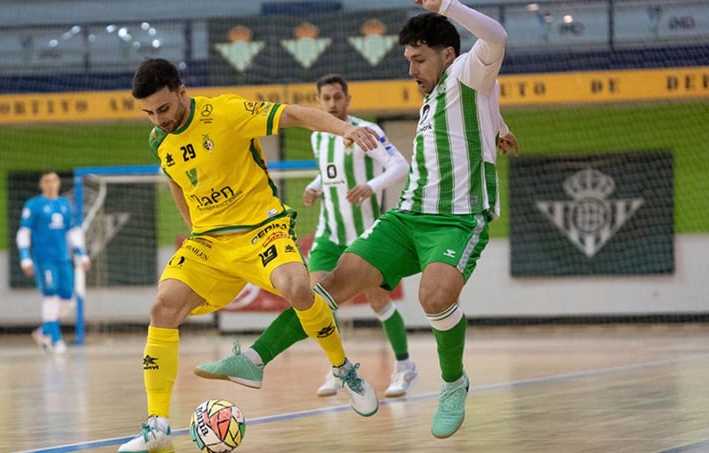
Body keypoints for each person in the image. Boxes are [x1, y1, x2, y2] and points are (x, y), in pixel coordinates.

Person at [198, 0, 511, 440]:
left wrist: (445, 5)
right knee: (327, 288)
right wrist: (500, 127)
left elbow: (496, 37)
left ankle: (453, 382)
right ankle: (254, 359)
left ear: (447, 54)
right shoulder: (437, 95)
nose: (411, 70)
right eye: (408, 60)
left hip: (456, 219)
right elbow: (486, 102)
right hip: (407, 215)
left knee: (435, 297)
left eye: (419, 59)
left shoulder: (464, 72)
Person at [118, 58, 382, 453]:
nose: (159, 120)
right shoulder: (160, 139)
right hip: (210, 242)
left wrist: (346, 129)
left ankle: (343, 370)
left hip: (262, 229)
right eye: (149, 113)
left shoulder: (227, 112)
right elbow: (176, 180)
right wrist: (195, 228)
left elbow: (295, 114)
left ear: (182, 92)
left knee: (299, 289)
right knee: (162, 308)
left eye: (164, 108)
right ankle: (157, 428)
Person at [196, 73, 417, 399]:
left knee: (378, 300)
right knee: (314, 301)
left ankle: (405, 365)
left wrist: (371, 186)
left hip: (364, 233)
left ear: (348, 99)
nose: (332, 103)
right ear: (318, 102)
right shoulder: (319, 136)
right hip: (329, 233)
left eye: (337, 97)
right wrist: (316, 186)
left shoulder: (365, 130)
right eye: (326, 98)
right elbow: (330, 172)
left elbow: (400, 166)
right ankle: (338, 368)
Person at [16, 171, 91, 355]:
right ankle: (55, 339)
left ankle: (44, 331)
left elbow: (71, 232)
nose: (51, 184)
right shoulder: (34, 205)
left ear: (58, 183)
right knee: (51, 296)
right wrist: (25, 257)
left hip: (63, 258)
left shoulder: (65, 204)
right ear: (41, 184)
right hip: (44, 259)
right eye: (46, 181)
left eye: (54, 180)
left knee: (69, 300)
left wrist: (82, 254)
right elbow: (24, 232)